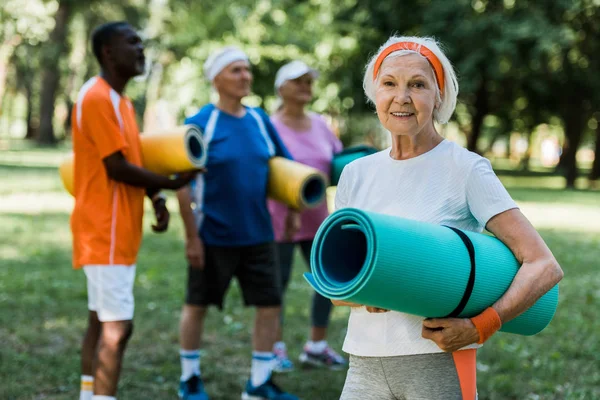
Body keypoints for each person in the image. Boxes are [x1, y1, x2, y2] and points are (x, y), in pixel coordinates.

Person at [332, 36, 564, 400]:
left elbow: (544, 265)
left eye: (418, 85)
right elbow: (336, 286)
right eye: (389, 83)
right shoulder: (356, 174)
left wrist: (481, 326)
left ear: (439, 97)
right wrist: (365, 293)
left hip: (437, 360)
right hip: (364, 359)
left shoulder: (466, 169)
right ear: (374, 93)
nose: (402, 97)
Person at [72, 22, 198, 400]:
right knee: (117, 328)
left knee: (100, 320)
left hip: (116, 230)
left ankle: (88, 394)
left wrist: (155, 200)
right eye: (132, 42)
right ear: (108, 52)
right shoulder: (96, 97)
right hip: (104, 229)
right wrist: (172, 184)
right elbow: (116, 167)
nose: (141, 49)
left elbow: (130, 159)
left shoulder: (121, 101)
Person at [176, 47, 299, 400]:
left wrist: (291, 212)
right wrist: (190, 237)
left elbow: (282, 168)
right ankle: (190, 378)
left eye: (246, 70)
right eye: (235, 70)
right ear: (216, 79)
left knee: (270, 305)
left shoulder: (260, 119)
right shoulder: (201, 122)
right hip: (212, 235)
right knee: (196, 306)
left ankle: (258, 384)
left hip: (258, 235)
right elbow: (181, 183)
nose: (245, 76)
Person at [266, 61, 346, 372]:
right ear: (280, 88)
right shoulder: (270, 126)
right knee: (278, 284)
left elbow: (335, 164)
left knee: (327, 281)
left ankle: (316, 346)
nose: (305, 87)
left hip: (317, 220)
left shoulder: (321, 125)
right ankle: (273, 348)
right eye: (298, 81)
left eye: (309, 82)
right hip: (279, 220)